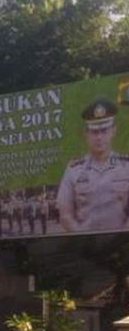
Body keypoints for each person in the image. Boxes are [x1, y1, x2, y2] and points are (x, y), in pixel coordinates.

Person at [57, 98, 129, 233]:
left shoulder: (127, 167)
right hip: (86, 249)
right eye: (95, 132)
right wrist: (85, 240)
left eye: (104, 131)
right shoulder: (73, 170)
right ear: (87, 134)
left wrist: (121, 242)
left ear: (113, 131)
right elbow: (65, 215)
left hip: (123, 248)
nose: (99, 137)